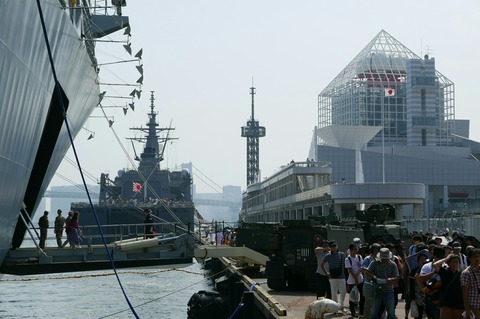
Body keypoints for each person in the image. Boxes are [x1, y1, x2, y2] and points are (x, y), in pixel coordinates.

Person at [364, 247, 399, 319]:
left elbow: (397, 277)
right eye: (383, 258)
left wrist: (390, 279)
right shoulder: (374, 262)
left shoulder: (393, 264)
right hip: (377, 290)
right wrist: (374, 277)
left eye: (386, 258)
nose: (384, 260)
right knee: (374, 311)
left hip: (389, 290)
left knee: (391, 312)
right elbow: (367, 271)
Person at [432, 254, 464, 319]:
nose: (454, 264)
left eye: (456, 262)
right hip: (446, 303)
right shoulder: (445, 272)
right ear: (448, 263)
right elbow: (435, 265)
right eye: (452, 261)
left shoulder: (462, 273)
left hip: (459, 303)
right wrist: (446, 259)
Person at [321, 240, 347, 313]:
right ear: (330, 248)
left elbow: (345, 264)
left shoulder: (342, 254)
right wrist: (326, 273)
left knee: (343, 291)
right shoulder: (328, 255)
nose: (334, 247)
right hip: (332, 277)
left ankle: (341, 305)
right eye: (332, 246)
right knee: (334, 293)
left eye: (335, 246)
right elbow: (322, 264)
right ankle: (335, 308)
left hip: (341, 276)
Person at [405, 252, 428, 319]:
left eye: (425, 259)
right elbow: (410, 279)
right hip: (416, 292)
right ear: (418, 261)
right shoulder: (414, 270)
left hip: (425, 292)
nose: (423, 261)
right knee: (417, 310)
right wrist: (409, 289)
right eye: (421, 259)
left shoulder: (428, 269)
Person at [361, 243, 381, 318]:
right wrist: (373, 274)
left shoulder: (380, 259)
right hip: (369, 284)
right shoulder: (367, 259)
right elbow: (363, 269)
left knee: (378, 302)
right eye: (377, 249)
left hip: (379, 284)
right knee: (368, 303)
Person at [345, 243, 364, 318]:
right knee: (352, 297)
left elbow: (361, 267)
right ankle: (353, 313)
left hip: (360, 280)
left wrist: (358, 275)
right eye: (354, 249)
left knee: (363, 296)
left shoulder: (359, 257)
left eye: (356, 249)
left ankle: (361, 312)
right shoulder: (348, 259)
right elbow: (349, 270)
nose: (355, 251)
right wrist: (355, 279)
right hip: (352, 281)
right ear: (350, 250)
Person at [461, 248, 480, 319]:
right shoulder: (466, 273)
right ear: (470, 258)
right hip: (473, 305)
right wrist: (467, 309)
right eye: (474, 257)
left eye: (478, 256)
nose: (477, 259)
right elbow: (464, 293)